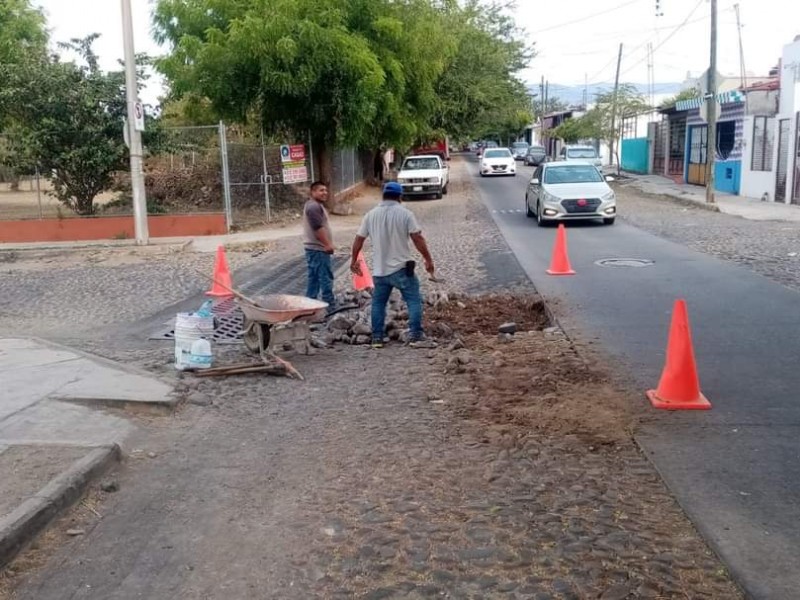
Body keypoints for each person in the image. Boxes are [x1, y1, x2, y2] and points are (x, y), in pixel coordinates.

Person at [351, 181, 435, 348]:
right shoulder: (405, 214)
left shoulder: (370, 215)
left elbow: (358, 239)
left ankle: (376, 338)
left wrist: (354, 260)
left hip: (380, 271)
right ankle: (416, 334)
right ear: (400, 196)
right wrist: (428, 259)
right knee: (413, 300)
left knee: (378, 303)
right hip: (401, 269)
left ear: (383, 195)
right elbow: (417, 238)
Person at [304, 181, 336, 311]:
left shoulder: (314, 205)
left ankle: (308, 305)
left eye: (326, 190)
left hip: (313, 249)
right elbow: (317, 228)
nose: (325, 193)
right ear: (313, 192)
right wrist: (327, 244)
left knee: (314, 278)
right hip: (318, 249)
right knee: (325, 277)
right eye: (321, 190)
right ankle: (329, 306)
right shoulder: (313, 207)